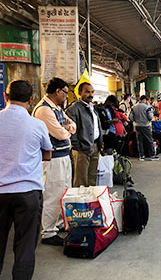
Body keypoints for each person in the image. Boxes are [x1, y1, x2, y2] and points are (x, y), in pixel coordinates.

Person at [0, 80, 52, 280]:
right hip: (28, 193)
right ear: (31, 100)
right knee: (25, 245)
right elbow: (47, 154)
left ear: (6, 97)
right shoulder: (37, 124)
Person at [32, 77, 76, 246]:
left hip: (63, 156)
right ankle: (48, 232)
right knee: (52, 194)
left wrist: (66, 128)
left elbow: (73, 125)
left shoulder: (56, 108)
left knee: (63, 192)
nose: (66, 96)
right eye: (65, 92)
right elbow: (60, 134)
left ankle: (58, 224)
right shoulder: (44, 110)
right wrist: (66, 129)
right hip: (53, 159)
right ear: (57, 91)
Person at [66, 83, 103, 187]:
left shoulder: (93, 108)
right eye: (87, 92)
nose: (90, 94)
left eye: (92, 92)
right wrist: (77, 146)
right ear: (79, 93)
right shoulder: (74, 109)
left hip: (95, 146)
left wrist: (100, 142)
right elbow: (72, 131)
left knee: (92, 177)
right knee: (81, 179)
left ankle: (90, 201)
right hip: (82, 149)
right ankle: (80, 201)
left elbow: (96, 126)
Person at [129, 95, 159, 161]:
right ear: (145, 100)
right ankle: (152, 155)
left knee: (140, 141)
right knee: (149, 140)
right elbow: (150, 117)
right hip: (146, 125)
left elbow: (130, 117)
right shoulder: (147, 107)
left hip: (137, 126)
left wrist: (135, 120)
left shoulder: (134, 107)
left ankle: (141, 155)